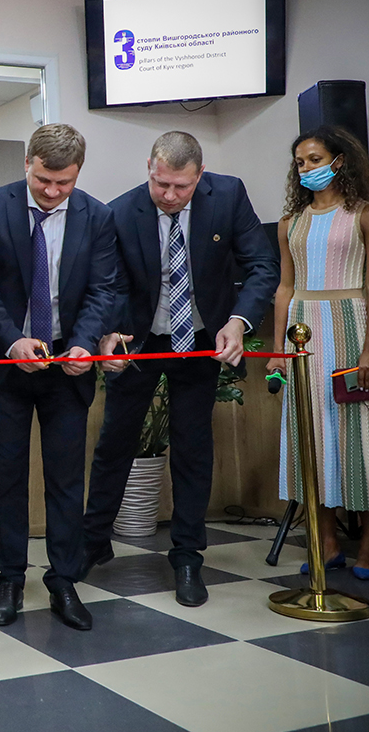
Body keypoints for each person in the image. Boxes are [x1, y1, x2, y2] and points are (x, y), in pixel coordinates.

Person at [81, 131, 278, 607]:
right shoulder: (120, 211)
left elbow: (262, 265)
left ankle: (187, 555)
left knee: (193, 445)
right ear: (149, 168)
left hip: (203, 337)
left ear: (200, 176)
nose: (169, 196)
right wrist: (109, 334)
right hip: (140, 339)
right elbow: (109, 285)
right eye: (161, 184)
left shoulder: (228, 196)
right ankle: (93, 540)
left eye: (181, 187)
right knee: (115, 441)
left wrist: (238, 321)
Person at [0, 124, 117, 631]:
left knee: (66, 479)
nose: (53, 192)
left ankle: (64, 580)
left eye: (64, 183)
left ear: (78, 174)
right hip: (6, 365)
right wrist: (12, 341)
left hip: (66, 367)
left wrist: (84, 342)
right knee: (7, 478)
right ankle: (10, 579)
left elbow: (102, 290)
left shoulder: (97, 216)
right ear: (27, 163)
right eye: (43, 180)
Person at [266, 126, 369, 579]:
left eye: (314, 159)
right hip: (303, 335)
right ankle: (326, 543)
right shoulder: (290, 223)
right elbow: (284, 288)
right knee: (312, 434)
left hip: (351, 327)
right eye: (300, 162)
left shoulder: (367, 215)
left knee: (363, 434)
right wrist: (277, 351)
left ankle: (368, 546)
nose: (306, 168)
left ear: (339, 161)